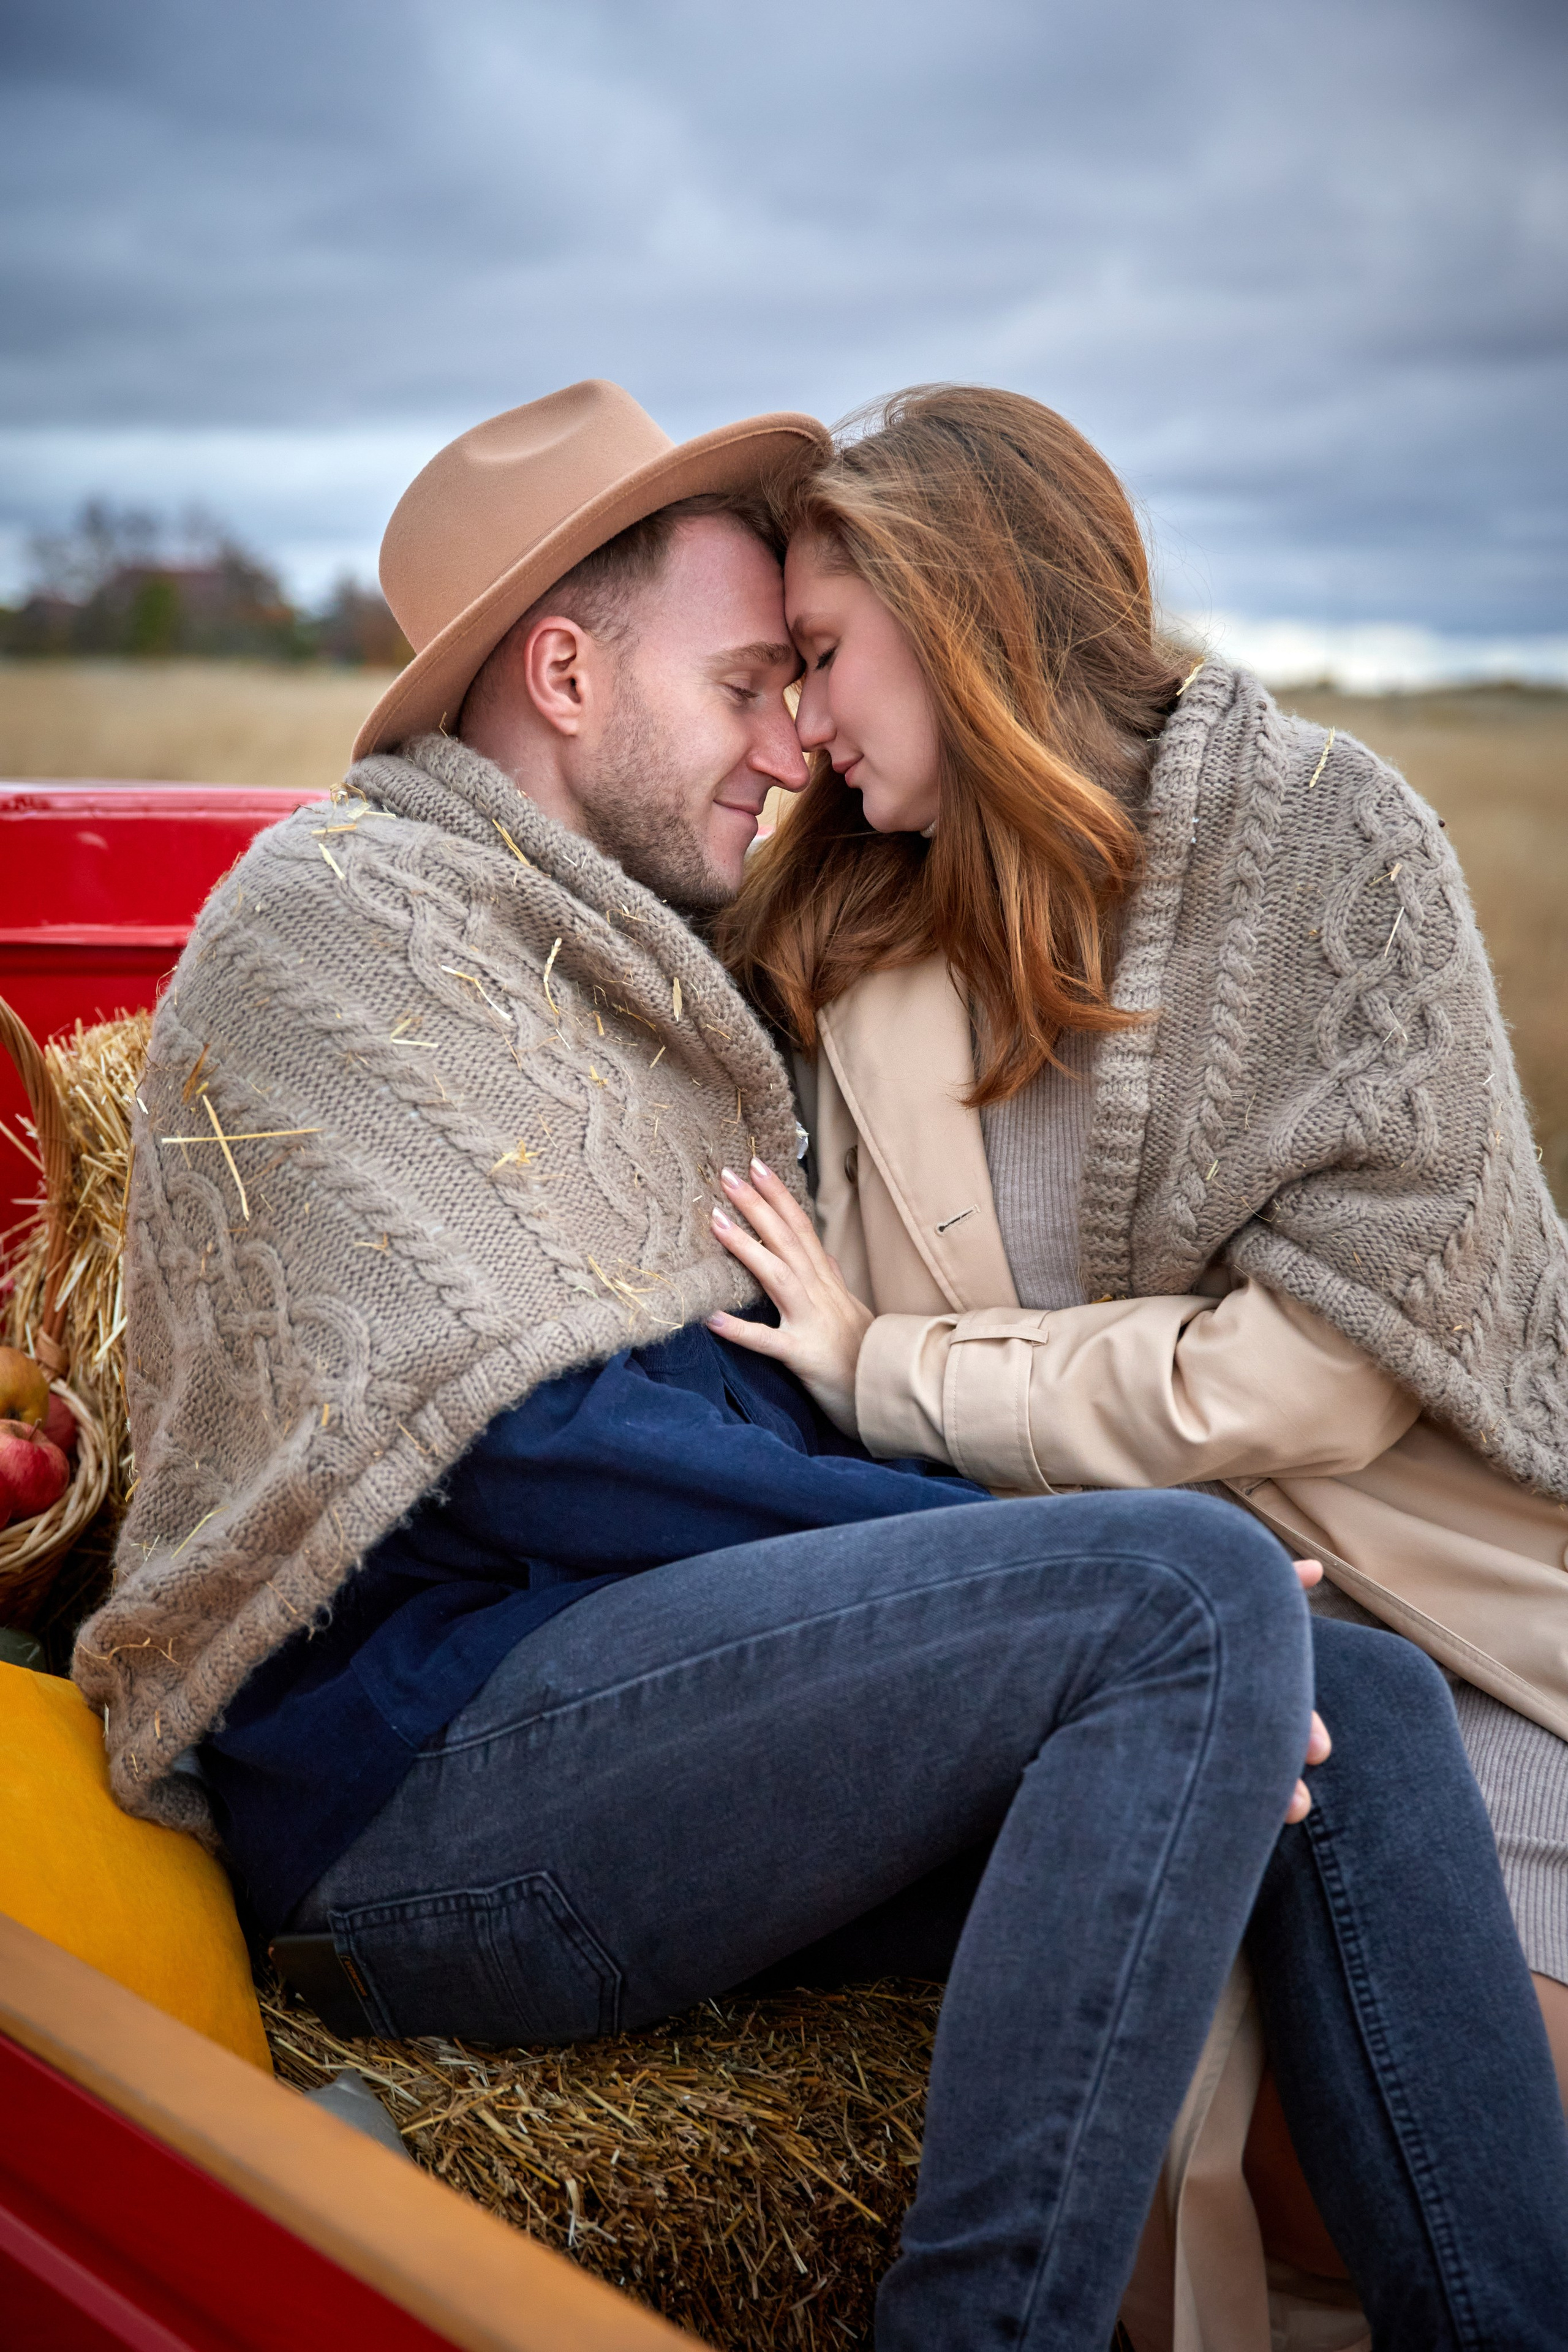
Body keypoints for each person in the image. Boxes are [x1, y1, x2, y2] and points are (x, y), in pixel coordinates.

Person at [76, 382, 1567, 2352]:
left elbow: (735, 1404)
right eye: (748, 680)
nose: (791, 743)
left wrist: (1045, 1575)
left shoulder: (647, 973)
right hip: (424, 1799)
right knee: (1188, 1586)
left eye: (810, 677)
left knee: (1350, 1692)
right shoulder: (338, 928)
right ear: (566, 671)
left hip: (672, 1744)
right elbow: (546, 1446)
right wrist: (1041, 1553)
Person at [713, 382, 1568, 2340]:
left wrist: (904, 1372)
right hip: (1156, 1652)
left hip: (1483, 1624)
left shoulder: (1330, 852)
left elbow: (1331, 1374)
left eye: (829, 661)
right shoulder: (844, 948)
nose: (808, 734)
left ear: (969, 618)